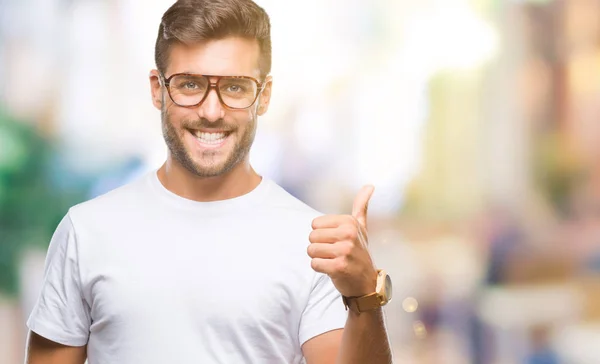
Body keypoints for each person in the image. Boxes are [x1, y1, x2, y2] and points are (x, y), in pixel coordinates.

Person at [24, 0, 393, 363]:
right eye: (189, 85)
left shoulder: (313, 244)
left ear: (262, 96)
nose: (211, 111)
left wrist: (364, 298)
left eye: (235, 87)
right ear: (157, 89)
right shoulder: (86, 231)